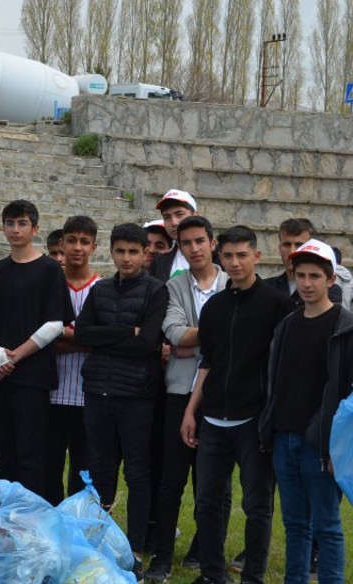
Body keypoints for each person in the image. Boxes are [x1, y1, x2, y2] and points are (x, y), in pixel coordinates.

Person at [180, 226, 291, 584]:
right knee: (207, 503)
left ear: (257, 256)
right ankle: (213, 574)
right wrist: (190, 411)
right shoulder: (215, 306)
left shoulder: (276, 305)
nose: (235, 262)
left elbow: (283, 366)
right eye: (227, 255)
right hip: (213, 419)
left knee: (257, 506)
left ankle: (253, 576)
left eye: (242, 254)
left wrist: (272, 416)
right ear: (219, 256)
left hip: (254, 420)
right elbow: (208, 362)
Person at [77, 223, 169, 567]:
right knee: (101, 470)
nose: (126, 258)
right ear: (111, 252)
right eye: (120, 251)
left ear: (145, 253)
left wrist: (113, 337)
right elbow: (83, 333)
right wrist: (123, 331)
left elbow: (146, 343)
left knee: (137, 472)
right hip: (97, 391)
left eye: (133, 251)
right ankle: (102, 541)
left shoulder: (156, 291)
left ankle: (134, 546)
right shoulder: (99, 290)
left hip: (136, 394)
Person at [258, 239, 347, 584]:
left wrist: (335, 446)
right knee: (295, 524)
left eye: (315, 276)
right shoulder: (287, 325)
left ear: (330, 280)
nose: (307, 283)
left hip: (322, 444)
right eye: (301, 275)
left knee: (326, 526)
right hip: (284, 438)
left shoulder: (345, 327)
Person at [0, 199, 74, 500]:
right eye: (10, 223)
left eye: (22, 223)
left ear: (35, 228)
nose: (15, 229)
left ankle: (30, 520)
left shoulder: (49, 271)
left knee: (31, 454)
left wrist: (14, 355)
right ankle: (5, 514)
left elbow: (55, 324)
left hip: (32, 377)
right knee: (5, 453)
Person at [147, 216, 226, 581]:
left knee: (213, 483)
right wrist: (214, 337)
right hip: (179, 391)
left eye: (200, 241)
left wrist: (192, 342)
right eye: (187, 243)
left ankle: (206, 554)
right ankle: (162, 556)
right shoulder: (174, 285)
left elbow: (234, 338)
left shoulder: (231, 283)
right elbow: (174, 332)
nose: (194, 248)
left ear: (213, 244)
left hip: (221, 395)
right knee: (171, 479)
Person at [46, 215, 101, 505]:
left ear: (94, 247)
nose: (77, 247)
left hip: (89, 396)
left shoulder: (102, 289)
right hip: (50, 394)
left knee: (84, 475)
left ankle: (78, 533)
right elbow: (41, 342)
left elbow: (104, 342)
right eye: (71, 241)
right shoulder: (47, 286)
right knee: (48, 470)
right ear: (61, 244)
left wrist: (62, 336)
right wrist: (85, 338)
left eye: (84, 241)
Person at [265, 218, 342, 308]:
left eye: (299, 245)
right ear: (279, 248)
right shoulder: (266, 288)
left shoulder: (329, 289)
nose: (292, 251)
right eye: (287, 245)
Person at [151, 189, 198, 279]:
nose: (174, 222)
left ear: (195, 216)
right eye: (167, 217)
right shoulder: (159, 262)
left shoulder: (219, 256)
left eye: (179, 214)